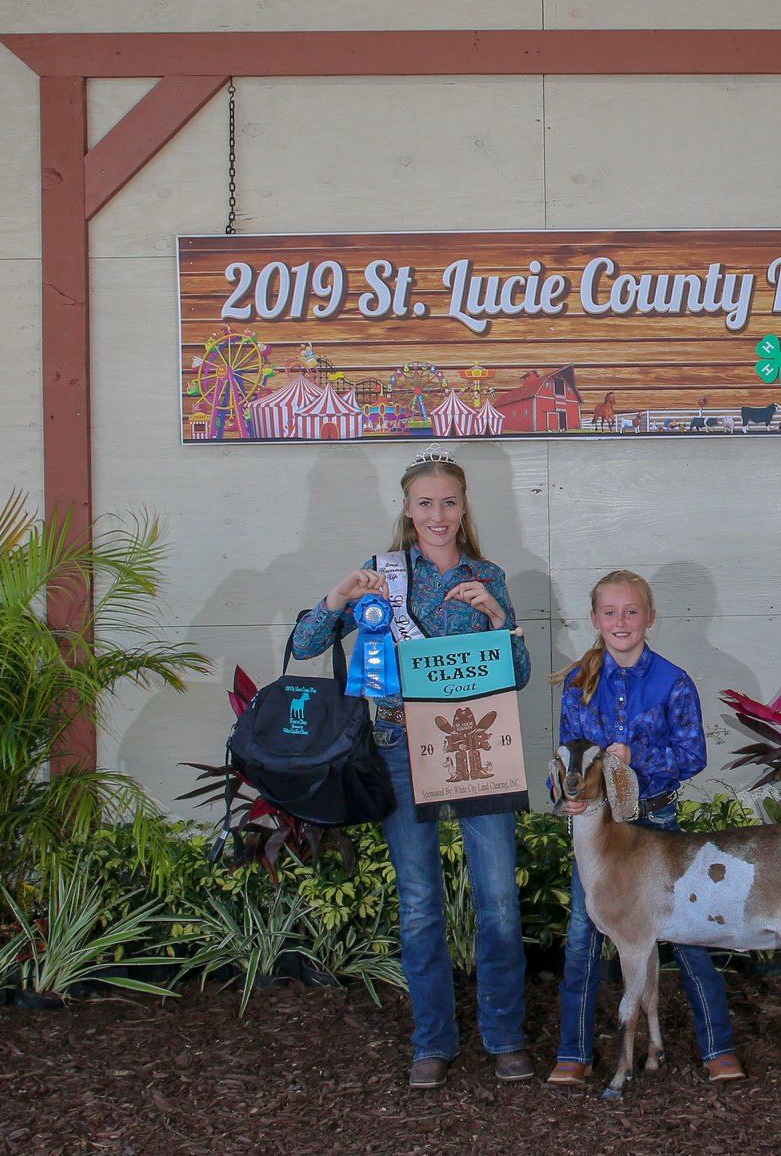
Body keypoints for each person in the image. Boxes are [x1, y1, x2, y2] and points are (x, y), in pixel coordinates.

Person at [291, 447, 533, 1089]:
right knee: (421, 902)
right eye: (425, 502)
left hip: (478, 748)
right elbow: (305, 646)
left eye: (448, 502)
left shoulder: (488, 574)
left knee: (500, 902)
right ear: (406, 507)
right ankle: (433, 1040)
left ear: (464, 508)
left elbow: (523, 673)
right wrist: (341, 594)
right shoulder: (380, 577)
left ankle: (505, 1036)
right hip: (399, 749)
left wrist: (497, 617)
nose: (437, 513)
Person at [546, 570, 744, 1086]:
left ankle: (717, 1045)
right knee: (584, 935)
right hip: (598, 831)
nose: (620, 621)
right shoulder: (578, 683)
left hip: (657, 823)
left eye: (631, 612)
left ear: (649, 618)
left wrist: (637, 761)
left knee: (687, 933)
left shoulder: (673, 681)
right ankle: (574, 1050)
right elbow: (566, 755)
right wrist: (564, 796)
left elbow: (693, 754)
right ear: (594, 620)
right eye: (609, 613)